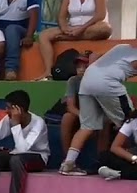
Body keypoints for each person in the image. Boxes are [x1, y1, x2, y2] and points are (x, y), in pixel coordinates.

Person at [58, 43, 137, 176]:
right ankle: (128, 159)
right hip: (107, 82)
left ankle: (68, 164)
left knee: (87, 126)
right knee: (129, 120)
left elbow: (94, 55)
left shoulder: (122, 47)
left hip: (88, 80)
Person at [32, 0, 112, 80]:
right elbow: (62, 16)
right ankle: (48, 71)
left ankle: (73, 36)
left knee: (106, 29)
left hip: (92, 27)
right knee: (43, 36)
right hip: (72, 29)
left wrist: (81, 29)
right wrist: (65, 29)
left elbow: (100, 14)